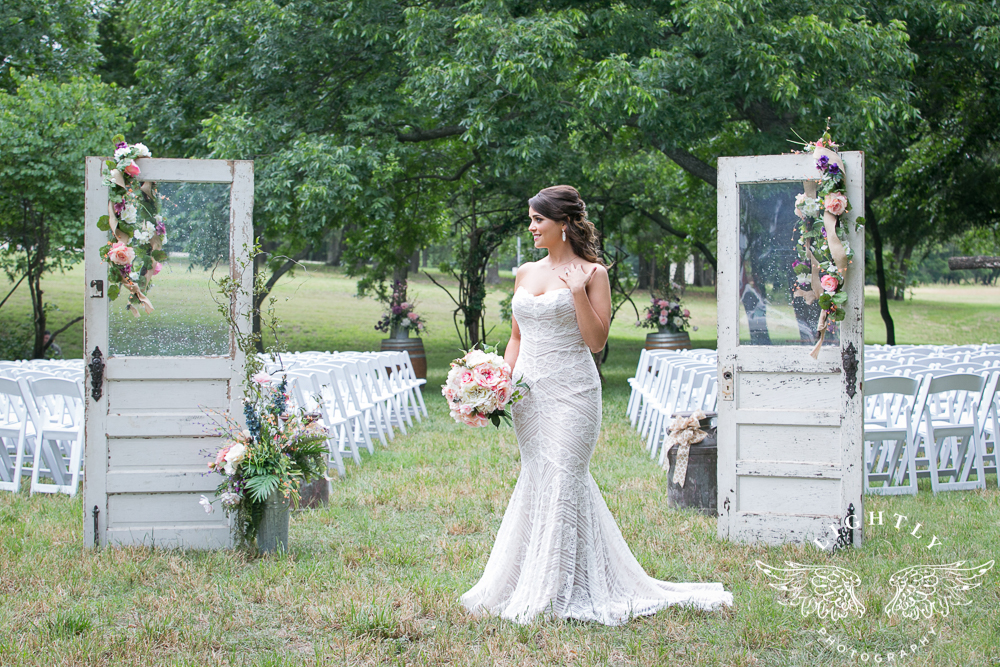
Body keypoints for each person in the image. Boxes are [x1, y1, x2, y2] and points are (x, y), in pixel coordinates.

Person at [460, 185, 733, 625]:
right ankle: (538, 578)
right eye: (530, 219)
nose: (530, 227)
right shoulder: (524, 272)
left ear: (563, 225)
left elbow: (596, 341)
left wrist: (576, 294)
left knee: (566, 474)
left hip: (573, 393)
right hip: (529, 395)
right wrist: (496, 384)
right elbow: (516, 337)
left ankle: (555, 591)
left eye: (537, 220)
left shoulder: (593, 273)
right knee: (540, 477)